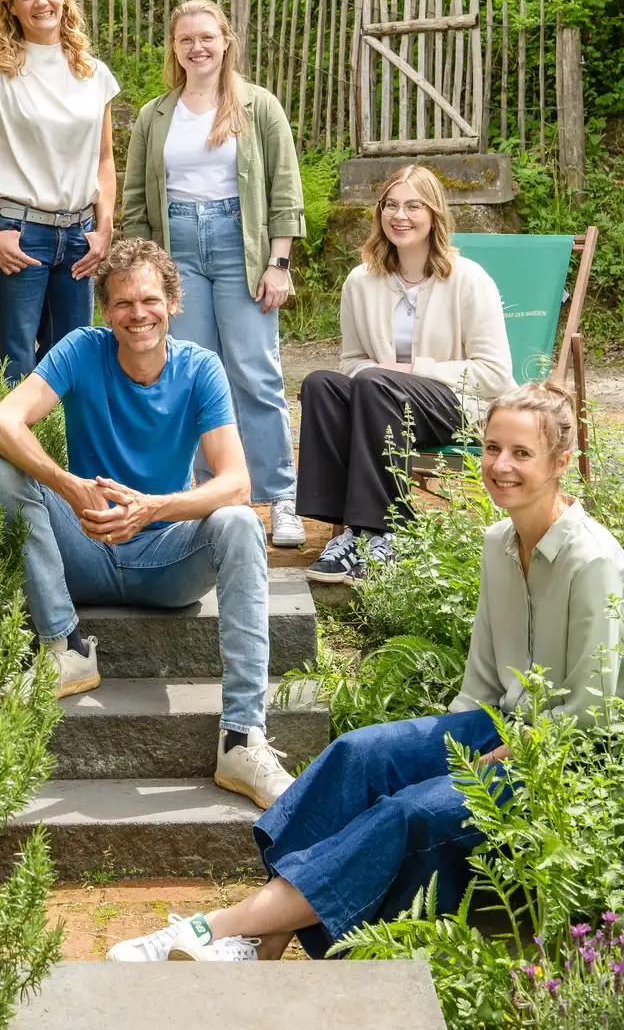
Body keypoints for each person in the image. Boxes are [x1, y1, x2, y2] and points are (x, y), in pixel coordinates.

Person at [109, 381, 624, 963]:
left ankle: (217, 927)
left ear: (561, 462)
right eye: (491, 447)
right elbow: (481, 685)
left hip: (566, 759)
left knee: (411, 811)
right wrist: (437, 756)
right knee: (358, 756)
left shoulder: (594, 560)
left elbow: (592, 714)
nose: (500, 465)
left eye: (521, 453)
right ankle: (260, 941)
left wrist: (491, 761)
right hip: (495, 727)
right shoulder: (497, 543)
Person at [0, 236, 291, 809]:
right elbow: (1, 423)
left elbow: (236, 484)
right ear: (105, 311)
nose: (138, 314)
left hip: (167, 561)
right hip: (86, 545)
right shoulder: (82, 350)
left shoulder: (200, 369)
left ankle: (242, 738)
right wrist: (70, 487)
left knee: (241, 523)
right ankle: (65, 649)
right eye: (123, 302)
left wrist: (152, 508)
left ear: (172, 302)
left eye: (150, 300)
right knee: (3, 471)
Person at [122, 0, 306, 549]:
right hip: (175, 251)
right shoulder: (156, 115)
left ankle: (281, 497)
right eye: (186, 39)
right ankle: (213, 495)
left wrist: (279, 263)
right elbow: (136, 201)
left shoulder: (258, 106)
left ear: (226, 41)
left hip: (240, 246)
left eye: (207, 37)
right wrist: (146, 271)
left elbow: (284, 188)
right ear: (174, 48)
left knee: (255, 372)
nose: (197, 47)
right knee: (194, 374)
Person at [300, 164, 514, 580]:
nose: (400, 216)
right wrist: (383, 376)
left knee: (375, 382)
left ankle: (386, 531)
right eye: (391, 205)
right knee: (320, 384)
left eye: (414, 206)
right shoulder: (360, 281)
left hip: (455, 410)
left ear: (434, 214)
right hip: (379, 403)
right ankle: (350, 535)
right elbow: (352, 362)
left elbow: (495, 375)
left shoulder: (469, 279)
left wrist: (410, 370)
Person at [0, 0, 119, 385]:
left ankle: (64, 435)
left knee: (73, 361)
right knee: (14, 362)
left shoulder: (94, 74)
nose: (40, 2)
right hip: (18, 232)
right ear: (11, 7)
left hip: (79, 237)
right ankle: (10, 434)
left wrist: (104, 228)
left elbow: (104, 159)